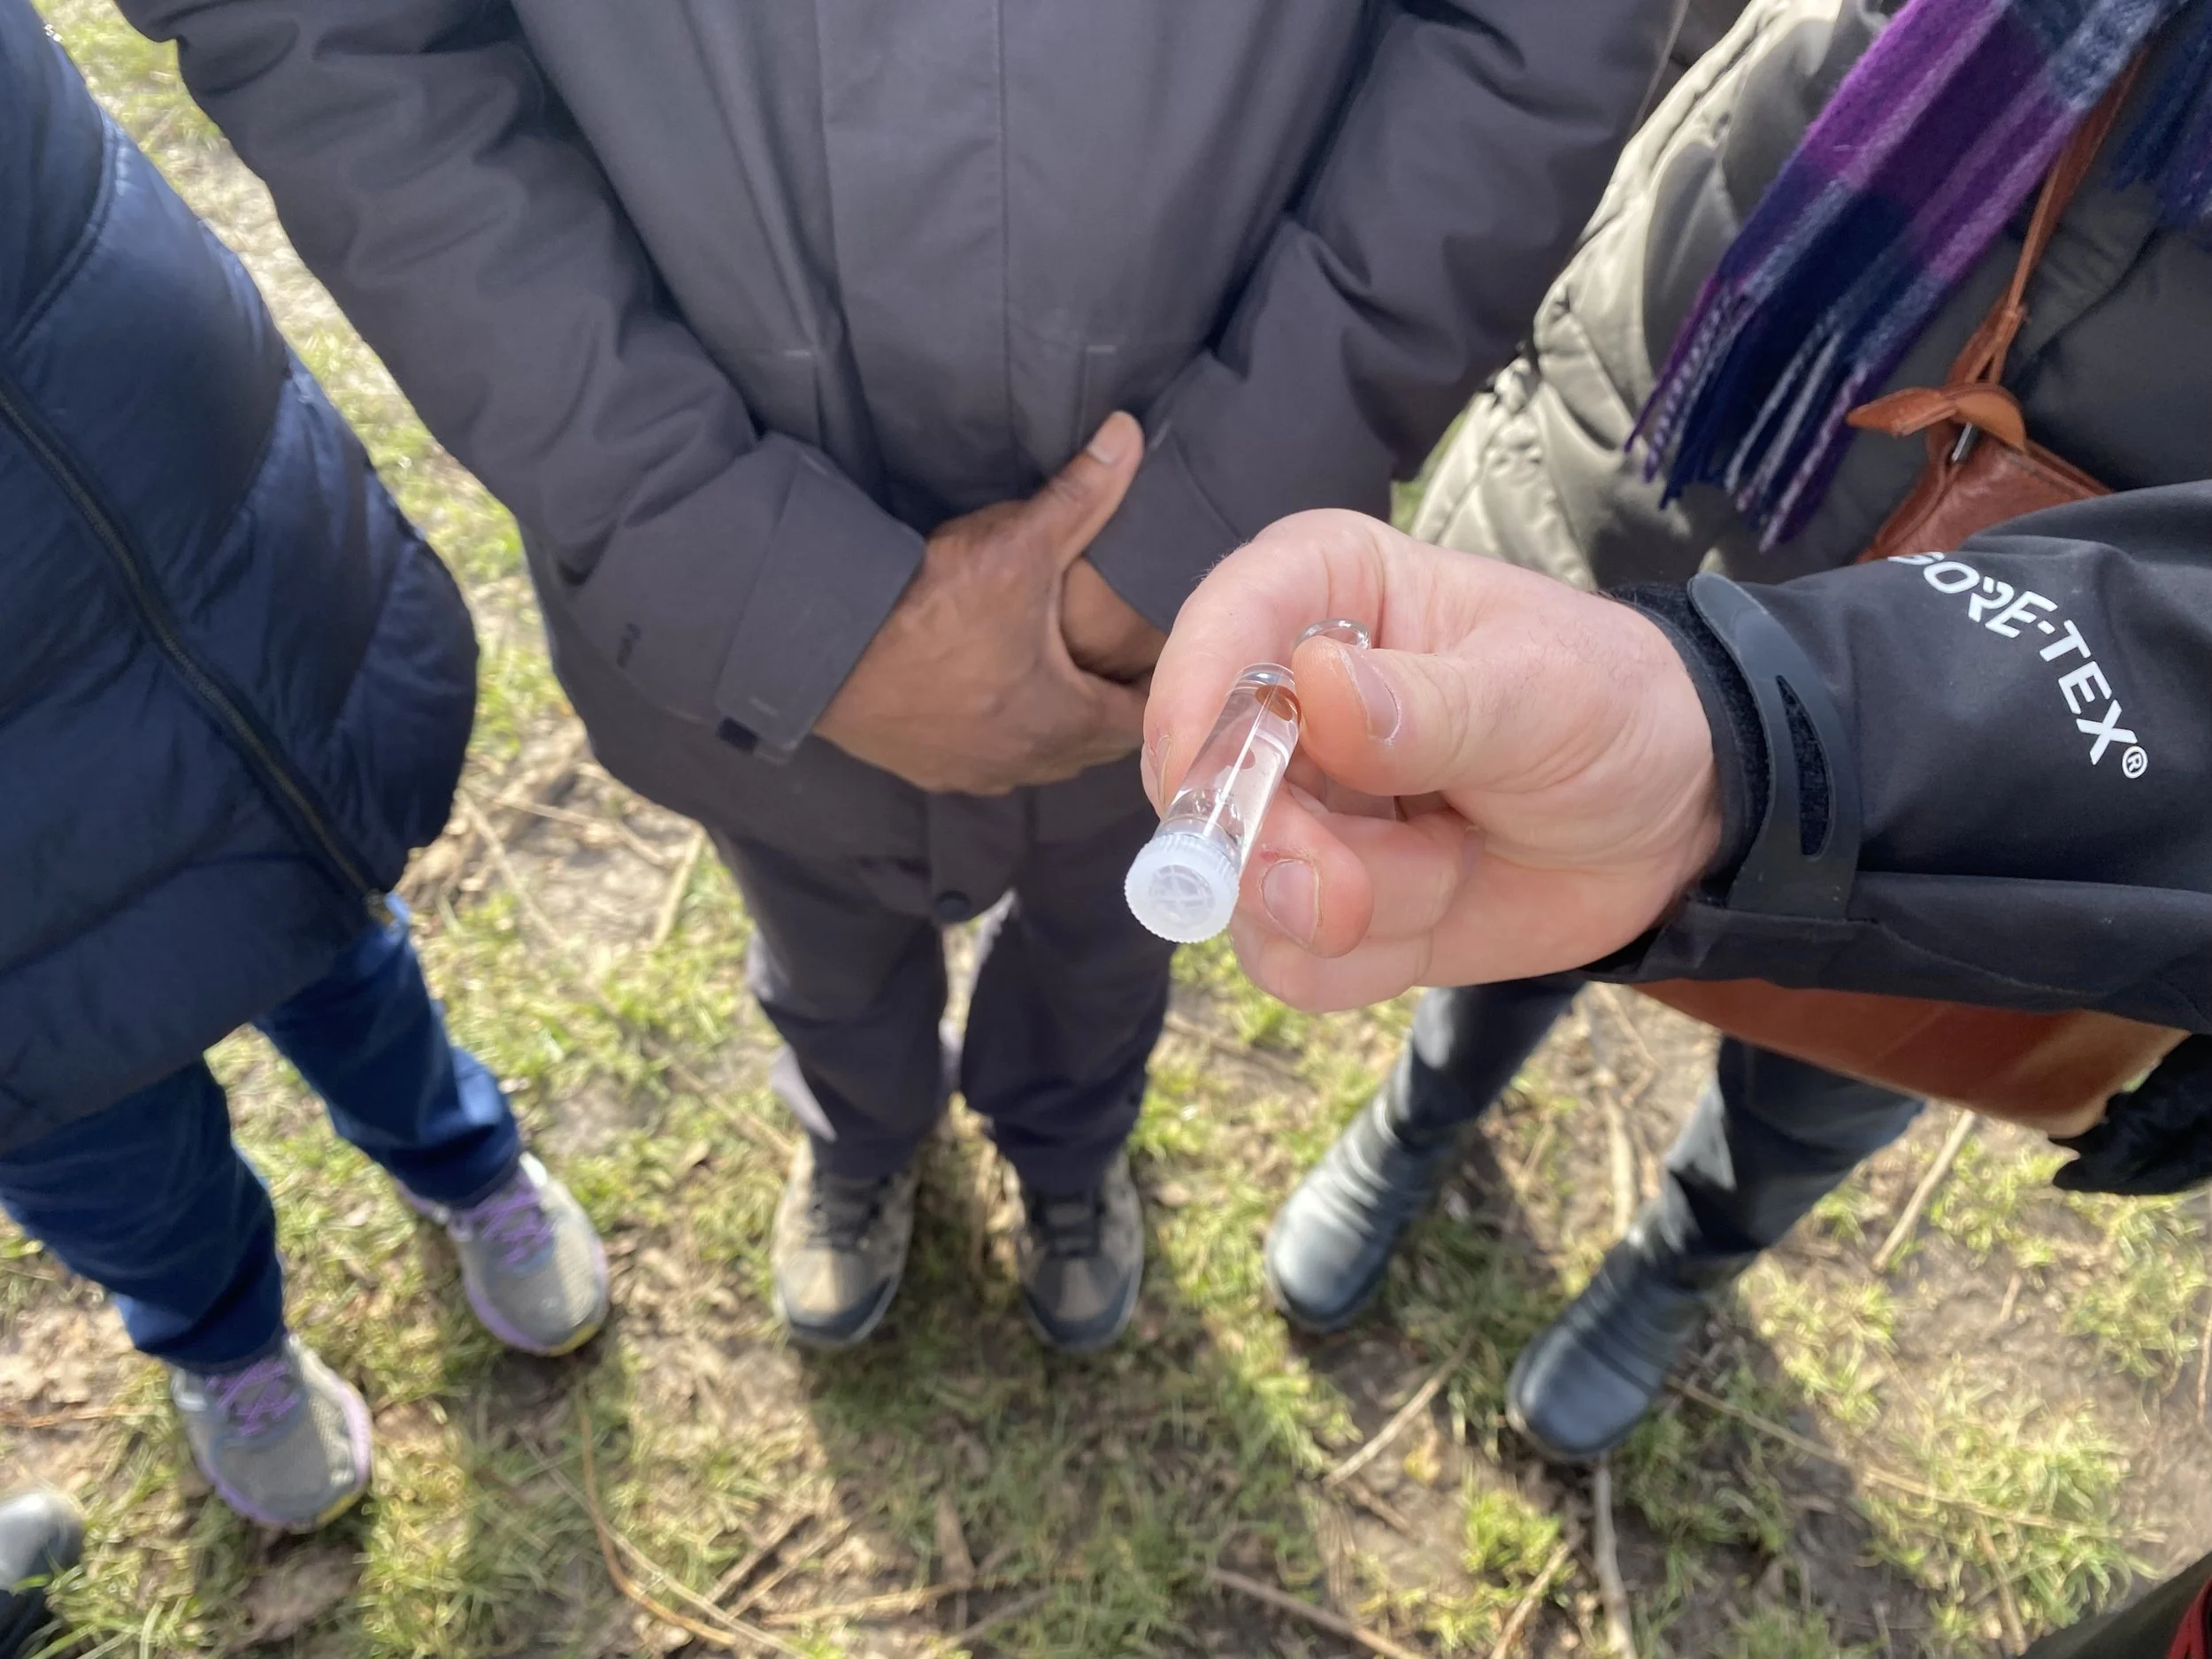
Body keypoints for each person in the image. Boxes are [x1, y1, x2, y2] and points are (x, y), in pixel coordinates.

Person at [111, 0, 1692, 1352]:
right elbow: (333, 37)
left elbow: (1529, 37)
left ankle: (1068, 1148)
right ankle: (861, 1139)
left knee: (1116, 924)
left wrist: (1189, 536)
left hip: (1172, 605)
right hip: (730, 594)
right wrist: (774, 593)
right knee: (819, 927)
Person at [1247, 0, 2212, 1456]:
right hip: (1761, 329)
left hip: (2107, 605)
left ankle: (1689, 1251)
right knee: (1525, 819)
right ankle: (1431, 1107)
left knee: (1879, 987)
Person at [0, 4, 607, 1532]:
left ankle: (462, 1156)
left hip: (164, 536)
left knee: (316, 930)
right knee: (89, 1117)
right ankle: (224, 1343)